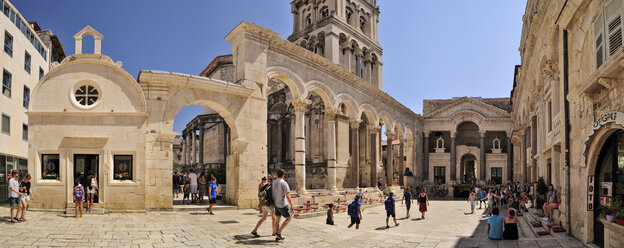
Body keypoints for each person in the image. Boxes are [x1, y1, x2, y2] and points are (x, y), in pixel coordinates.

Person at [272, 169, 293, 241]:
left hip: (276, 204)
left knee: (277, 220)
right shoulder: (284, 183)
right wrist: (291, 205)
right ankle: (279, 232)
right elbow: (287, 195)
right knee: (289, 218)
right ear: (283, 175)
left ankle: (278, 236)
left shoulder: (273, 182)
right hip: (283, 204)